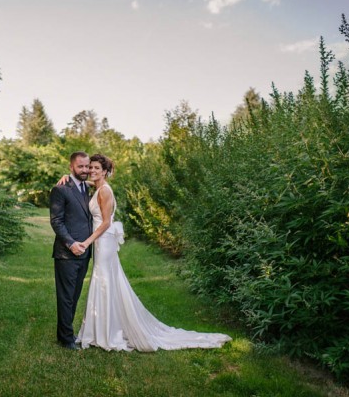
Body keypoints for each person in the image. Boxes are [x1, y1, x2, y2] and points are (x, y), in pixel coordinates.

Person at [66, 153, 232, 352]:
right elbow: (81, 185)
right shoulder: (98, 187)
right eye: (90, 167)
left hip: (103, 239)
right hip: (101, 241)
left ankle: (106, 333)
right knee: (105, 279)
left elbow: (106, 222)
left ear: (105, 172)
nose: (91, 171)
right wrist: (67, 178)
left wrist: (86, 241)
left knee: (104, 280)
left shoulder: (105, 192)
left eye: (96, 168)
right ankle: (102, 328)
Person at [49, 151, 93, 350]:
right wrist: (70, 243)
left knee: (74, 295)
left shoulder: (87, 188)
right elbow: (56, 221)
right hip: (67, 253)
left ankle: (66, 333)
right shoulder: (60, 189)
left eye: (87, 166)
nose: (85, 170)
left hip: (85, 252)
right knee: (66, 296)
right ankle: (66, 338)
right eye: (80, 166)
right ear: (71, 167)